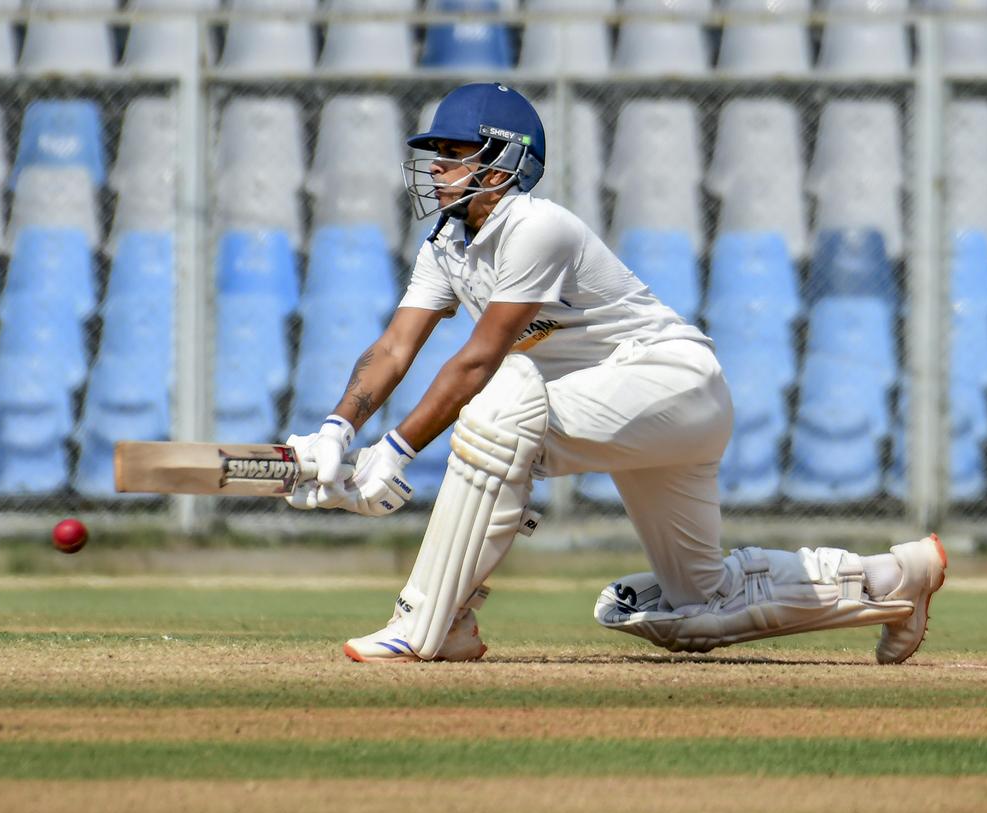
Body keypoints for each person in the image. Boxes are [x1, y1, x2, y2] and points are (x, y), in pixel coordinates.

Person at [286, 82, 947, 664]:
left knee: (503, 406)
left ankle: (430, 622)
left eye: (455, 154)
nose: (437, 168)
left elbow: (480, 357)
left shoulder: (535, 226)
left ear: (504, 159)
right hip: (626, 409)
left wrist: (396, 453)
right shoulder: (447, 246)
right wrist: (338, 430)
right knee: (697, 607)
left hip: (672, 385)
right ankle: (898, 579)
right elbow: (395, 347)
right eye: (437, 155)